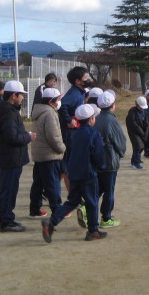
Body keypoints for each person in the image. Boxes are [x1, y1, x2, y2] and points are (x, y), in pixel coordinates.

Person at [41, 104, 107, 243]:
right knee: (92, 201)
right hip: (88, 173)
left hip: (74, 173)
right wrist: (102, 166)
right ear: (91, 119)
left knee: (72, 201)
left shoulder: (76, 133)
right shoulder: (93, 133)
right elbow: (98, 154)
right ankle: (93, 230)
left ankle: (51, 222)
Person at [0, 80, 35, 232]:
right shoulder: (9, 113)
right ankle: (6, 220)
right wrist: (28, 137)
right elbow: (11, 137)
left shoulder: (7, 110)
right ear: (13, 96)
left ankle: (4, 218)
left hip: (9, 157)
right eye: (21, 95)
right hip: (11, 158)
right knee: (9, 190)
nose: (22, 98)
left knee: (7, 189)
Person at [29, 88, 65, 219]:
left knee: (38, 184)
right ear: (51, 101)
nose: (59, 102)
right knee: (52, 184)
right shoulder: (50, 113)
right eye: (58, 99)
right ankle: (57, 210)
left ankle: (34, 208)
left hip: (39, 154)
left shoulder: (38, 111)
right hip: (50, 155)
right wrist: (62, 148)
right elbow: (53, 136)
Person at [93, 91, 127, 227]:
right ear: (112, 105)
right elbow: (120, 142)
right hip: (109, 160)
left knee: (99, 188)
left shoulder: (96, 119)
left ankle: (87, 209)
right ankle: (106, 218)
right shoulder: (112, 120)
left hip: (97, 160)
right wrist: (121, 153)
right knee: (109, 191)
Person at [59, 66, 91, 193]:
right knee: (69, 164)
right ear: (77, 81)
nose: (88, 79)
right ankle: (72, 194)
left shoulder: (80, 92)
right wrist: (68, 120)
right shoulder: (74, 94)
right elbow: (62, 106)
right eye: (85, 77)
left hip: (74, 132)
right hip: (70, 134)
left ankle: (51, 189)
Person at [126, 96, 149, 170]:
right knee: (138, 146)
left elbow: (146, 123)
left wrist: (146, 132)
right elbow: (133, 124)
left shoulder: (144, 112)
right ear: (136, 104)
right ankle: (135, 163)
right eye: (140, 107)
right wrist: (141, 132)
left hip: (142, 131)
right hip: (133, 132)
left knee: (141, 146)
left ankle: (135, 159)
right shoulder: (132, 112)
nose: (142, 108)